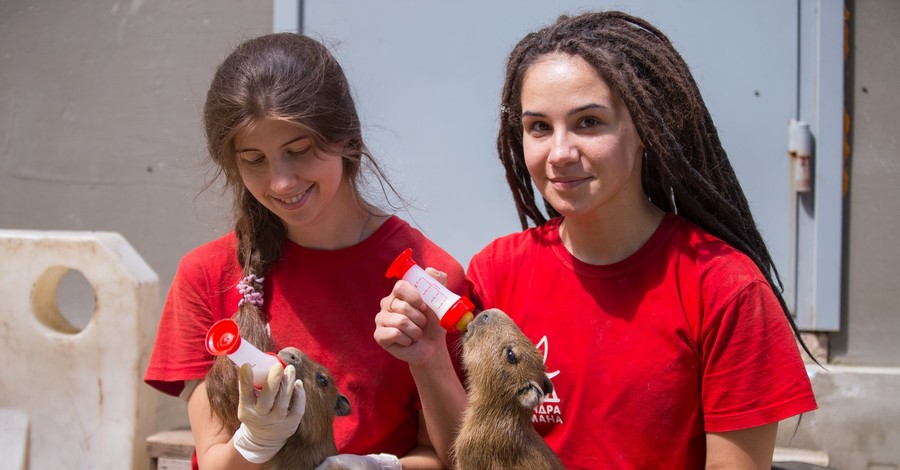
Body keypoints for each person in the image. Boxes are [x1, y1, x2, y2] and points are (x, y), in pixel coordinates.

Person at [375, 10, 818, 469]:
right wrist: (427, 357)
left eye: (588, 122)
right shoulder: (496, 273)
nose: (561, 153)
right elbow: (468, 458)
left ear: (646, 128)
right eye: (539, 127)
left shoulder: (727, 289)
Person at [144, 32, 470, 470]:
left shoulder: (428, 278)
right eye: (254, 160)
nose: (281, 182)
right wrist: (256, 442)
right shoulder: (206, 274)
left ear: (346, 138)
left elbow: (454, 456)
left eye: (298, 151)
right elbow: (215, 459)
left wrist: (374, 466)